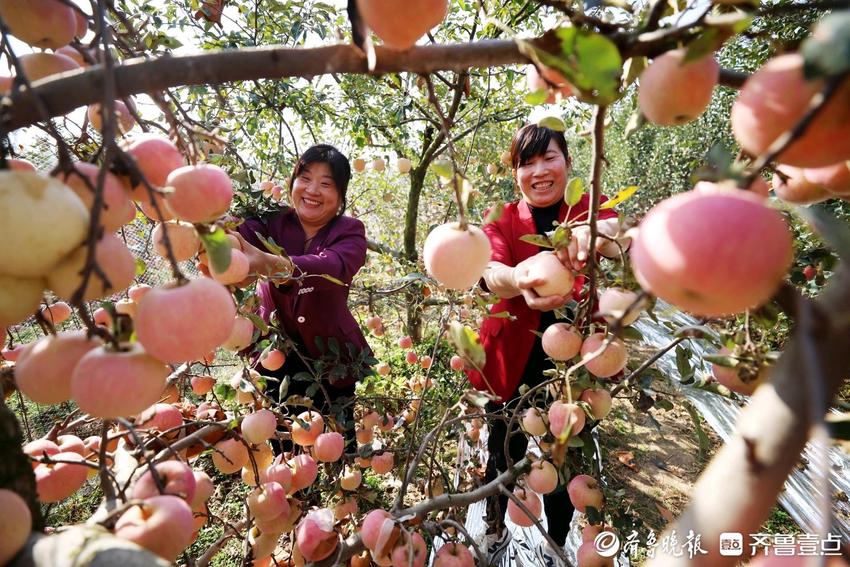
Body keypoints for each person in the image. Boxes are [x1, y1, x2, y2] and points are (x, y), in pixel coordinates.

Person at [465, 124, 624, 565]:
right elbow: (488, 270)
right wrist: (517, 277)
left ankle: (555, 540)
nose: (538, 171)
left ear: (569, 164)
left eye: (548, 158)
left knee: (562, 455)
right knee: (504, 447)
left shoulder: (588, 209)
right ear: (515, 172)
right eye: (526, 163)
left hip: (577, 367)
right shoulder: (503, 217)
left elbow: (624, 230)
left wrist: (598, 236)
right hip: (512, 358)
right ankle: (495, 527)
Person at [231, 144, 373, 445]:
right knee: (282, 441)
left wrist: (274, 264)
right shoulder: (271, 221)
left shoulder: (350, 231)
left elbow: (333, 268)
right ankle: (296, 493)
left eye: (326, 183)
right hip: (273, 355)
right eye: (305, 178)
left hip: (333, 359)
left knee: (336, 443)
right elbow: (237, 238)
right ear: (293, 182)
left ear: (340, 196)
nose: (313, 190)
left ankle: (340, 488)